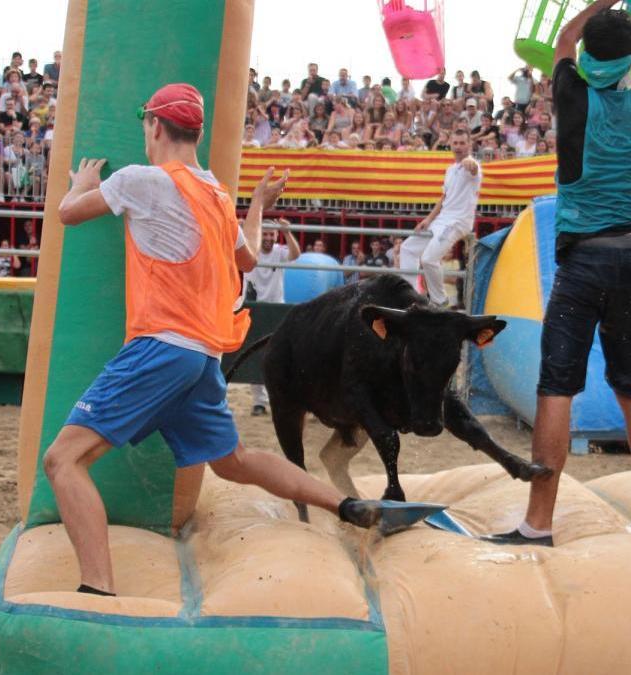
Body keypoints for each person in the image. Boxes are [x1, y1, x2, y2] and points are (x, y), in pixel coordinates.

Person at [41, 83, 401, 597]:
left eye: (146, 125)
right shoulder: (214, 192)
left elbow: (67, 214)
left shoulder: (141, 180)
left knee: (63, 460)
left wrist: (79, 182)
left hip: (160, 347)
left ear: (155, 127)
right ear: (198, 132)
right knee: (233, 463)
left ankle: (97, 589)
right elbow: (249, 256)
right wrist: (256, 202)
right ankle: (345, 505)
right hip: (204, 356)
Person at [484, 0, 631, 546]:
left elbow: (561, 44)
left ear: (590, 57)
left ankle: (539, 523)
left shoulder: (573, 96)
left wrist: (599, 2)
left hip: (585, 259)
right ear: (630, 58)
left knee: (556, 389)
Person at [398, 128, 480, 307]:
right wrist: (428, 219)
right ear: (450, 144)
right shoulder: (450, 170)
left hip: (458, 222)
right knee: (407, 248)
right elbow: (443, 199)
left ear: (469, 145)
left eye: (462, 143)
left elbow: (472, 167)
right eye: (455, 143)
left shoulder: (473, 165)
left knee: (428, 259)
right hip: (441, 220)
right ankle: (411, 297)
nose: (458, 146)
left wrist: (469, 162)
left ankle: (440, 301)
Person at [242, 218, 299, 416]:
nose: (267, 237)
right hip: (255, 308)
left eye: (270, 234)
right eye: (264, 233)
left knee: (280, 355)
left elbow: (295, 255)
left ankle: (281, 399)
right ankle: (259, 401)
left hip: (276, 308)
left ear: (275, 236)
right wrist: (242, 229)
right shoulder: (251, 249)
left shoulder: (280, 251)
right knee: (254, 354)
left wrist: (287, 231)